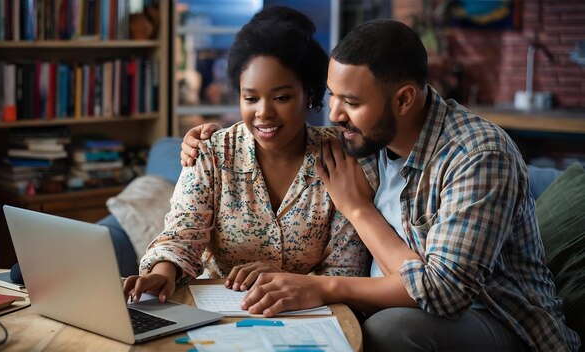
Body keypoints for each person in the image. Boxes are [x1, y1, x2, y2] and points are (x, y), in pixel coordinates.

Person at [180, 19, 581, 351]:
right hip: (409, 304)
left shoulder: (478, 156)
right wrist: (207, 141)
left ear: (404, 100)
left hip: (494, 318)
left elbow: (442, 293)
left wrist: (357, 213)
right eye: (333, 96)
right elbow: (277, 139)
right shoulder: (365, 143)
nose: (335, 114)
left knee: (389, 332)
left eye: (351, 103)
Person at [123, 6, 368, 306]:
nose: (263, 112)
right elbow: (182, 234)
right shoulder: (212, 153)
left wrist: (286, 278)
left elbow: (347, 270)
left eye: (282, 98)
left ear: (309, 94)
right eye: (250, 98)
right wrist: (163, 272)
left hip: (311, 313)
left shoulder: (340, 158)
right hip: (219, 311)